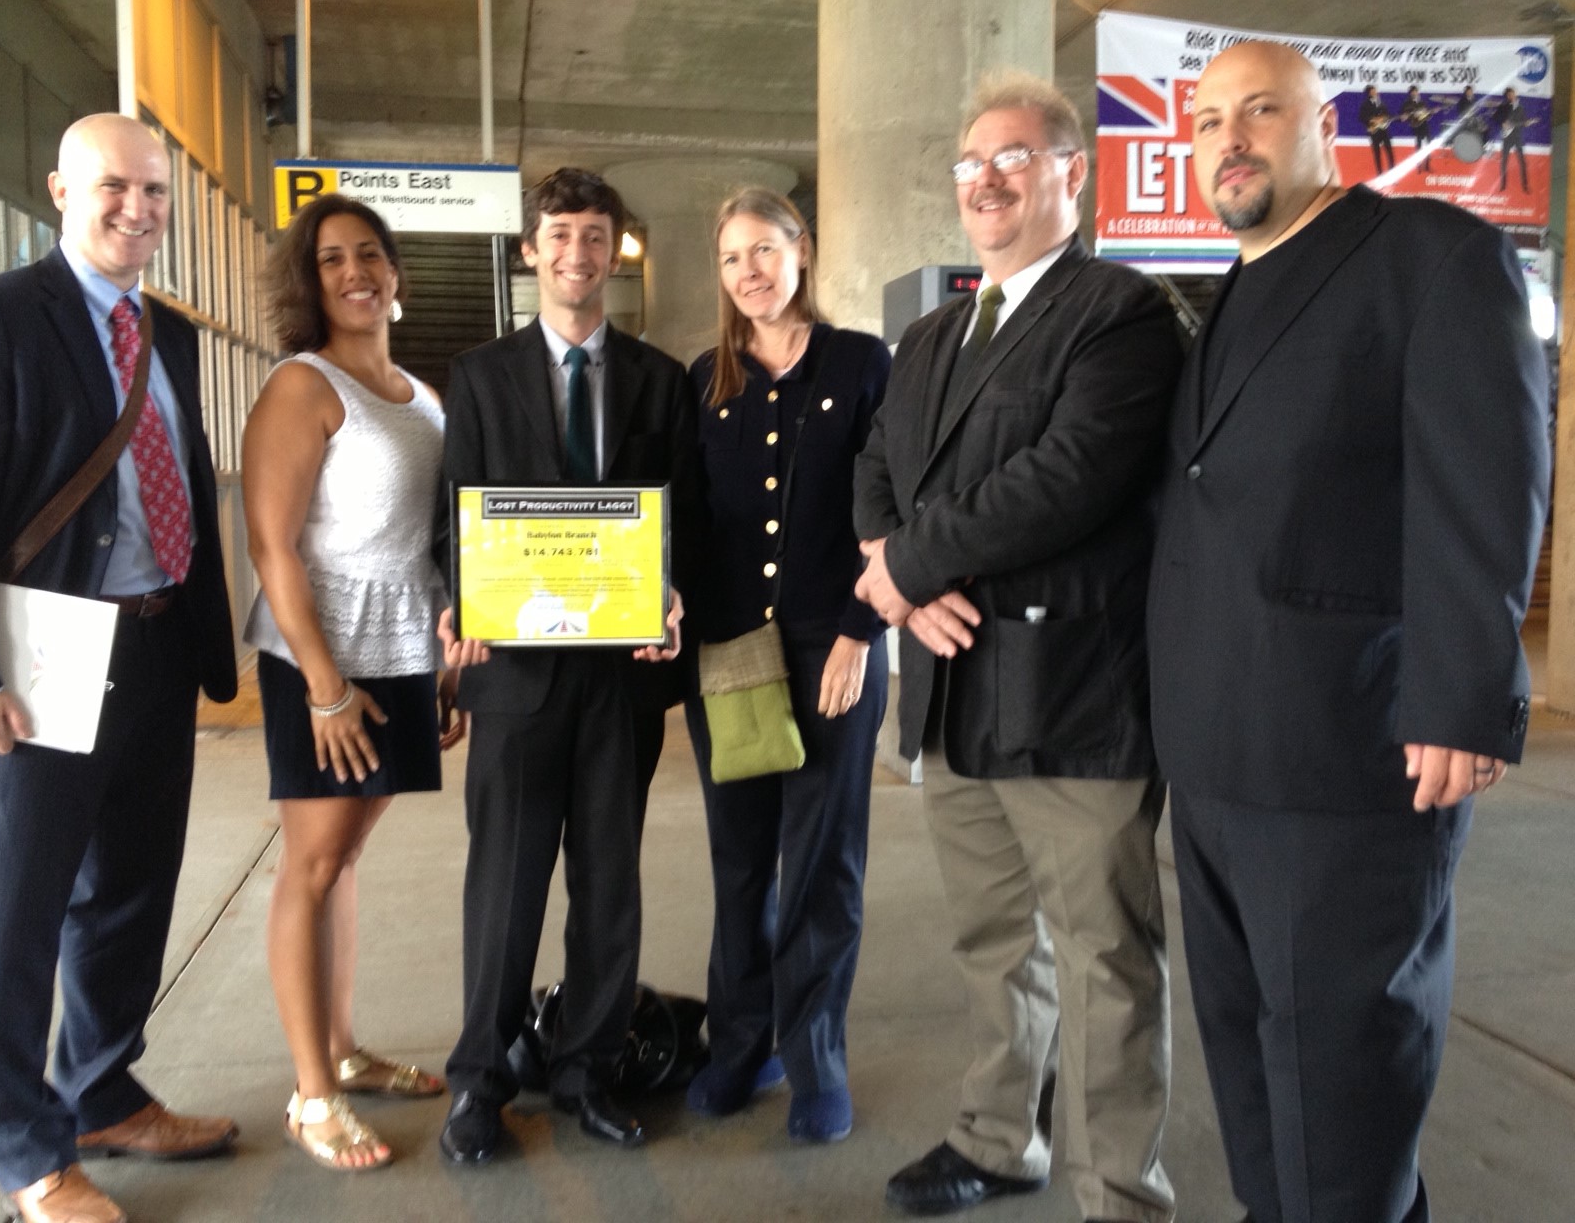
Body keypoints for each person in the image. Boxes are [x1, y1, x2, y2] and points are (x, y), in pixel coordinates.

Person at [1150, 42, 1549, 1223]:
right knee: (1255, 1084)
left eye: (1261, 110)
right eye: (1210, 117)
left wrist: (1463, 700)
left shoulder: (1428, 257)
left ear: (1322, 127)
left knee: (1344, 1091)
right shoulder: (1227, 294)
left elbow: (1488, 482)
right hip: (1216, 762)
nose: (1231, 136)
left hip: (1349, 758)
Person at [853, 71, 1180, 1222]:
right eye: (971, 165)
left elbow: (1066, 481)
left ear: (1070, 175)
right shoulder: (936, 331)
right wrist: (896, 578)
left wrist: (911, 565)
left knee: (1105, 960)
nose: (985, 180)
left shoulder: (1122, 315)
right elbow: (880, 471)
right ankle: (1001, 1142)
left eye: (1014, 159)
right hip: (955, 693)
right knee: (996, 940)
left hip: (1077, 698)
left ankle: (1121, 1195)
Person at [0, 114, 238, 1223]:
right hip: (41, 654)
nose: (138, 209)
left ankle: (101, 1089)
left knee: (127, 889)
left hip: (156, 646)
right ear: (60, 188)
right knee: (18, 907)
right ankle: (25, 1149)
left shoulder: (166, 330)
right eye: (115, 186)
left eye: (156, 192)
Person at [432, 167, 701, 1163]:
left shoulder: (658, 379)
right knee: (503, 887)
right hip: (514, 673)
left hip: (619, 676)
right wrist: (458, 605)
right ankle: (479, 1081)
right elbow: (452, 519)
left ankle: (590, 1068)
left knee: (608, 882)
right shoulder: (480, 376)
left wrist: (671, 595)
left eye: (596, 237)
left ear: (614, 250)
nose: (578, 254)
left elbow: (680, 518)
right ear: (530, 251)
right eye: (561, 236)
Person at [241, 193, 453, 1172]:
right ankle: (311, 1096)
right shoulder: (301, 384)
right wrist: (324, 687)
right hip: (323, 654)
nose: (355, 271)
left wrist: (443, 660)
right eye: (331, 260)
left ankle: (340, 1047)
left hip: (402, 642)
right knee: (314, 863)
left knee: (347, 860)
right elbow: (273, 547)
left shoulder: (421, 394)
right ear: (309, 281)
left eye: (369, 254)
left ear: (395, 272)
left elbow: (432, 542)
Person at [680, 186, 892, 1143]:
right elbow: (687, 514)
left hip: (831, 644)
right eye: (731, 259)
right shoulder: (705, 378)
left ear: (801, 250)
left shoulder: (858, 363)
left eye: (763, 251)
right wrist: (668, 596)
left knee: (821, 866)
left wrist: (860, 628)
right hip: (730, 650)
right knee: (741, 865)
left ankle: (815, 1062)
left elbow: (888, 507)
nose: (749, 274)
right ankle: (741, 1046)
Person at [1495, 88, 1530, 194]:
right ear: (1507, 97)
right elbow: (1495, 117)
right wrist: (1502, 122)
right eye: (1508, 95)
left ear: (1515, 94)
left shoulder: (1521, 108)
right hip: (1507, 137)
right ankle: (1503, 185)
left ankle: (1525, 186)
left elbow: (1524, 121)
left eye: (1512, 94)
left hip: (1517, 137)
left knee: (1522, 162)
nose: (1510, 96)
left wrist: (1526, 123)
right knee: (1504, 161)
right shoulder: (1503, 107)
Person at [1359, 85, 1394, 176]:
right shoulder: (1365, 104)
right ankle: (1379, 174)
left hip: (1384, 130)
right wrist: (1372, 120)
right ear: (1369, 93)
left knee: (1389, 151)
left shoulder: (1381, 102)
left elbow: (1387, 115)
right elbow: (1362, 117)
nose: (1375, 92)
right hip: (1374, 131)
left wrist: (1385, 118)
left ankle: (1392, 172)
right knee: (1377, 153)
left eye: (1375, 90)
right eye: (1372, 91)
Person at [1398, 86, 1433, 172]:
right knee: (1419, 146)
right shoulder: (1407, 103)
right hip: (1416, 126)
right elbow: (1403, 114)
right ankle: (1419, 166)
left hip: (1424, 125)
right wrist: (1409, 117)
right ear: (1410, 93)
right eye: (1413, 92)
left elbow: (1427, 113)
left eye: (1416, 91)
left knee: (1429, 145)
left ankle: (1427, 165)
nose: (1414, 93)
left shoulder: (1422, 102)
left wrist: (1428, 115)